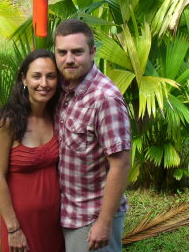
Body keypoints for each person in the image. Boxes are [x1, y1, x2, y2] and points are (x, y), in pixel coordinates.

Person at [53, 19, 132, 252]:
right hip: (68, 211)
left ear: (92, 52)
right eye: (62, 52)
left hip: (91, 217)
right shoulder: (63, 88)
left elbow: (121, 165)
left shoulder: (105, 99)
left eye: (77, 52)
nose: (69, 59)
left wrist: (104, 222)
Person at [0, 49, 65, 252]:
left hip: (54, 222)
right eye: (36, 76)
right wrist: (13, 229)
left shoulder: (56, 115)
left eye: (51, 76)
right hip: (21, 224)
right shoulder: (8, 122)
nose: (44, 83)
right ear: (24, 78)